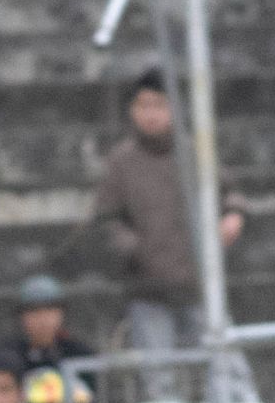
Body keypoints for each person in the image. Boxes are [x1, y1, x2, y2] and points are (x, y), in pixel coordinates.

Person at [91, 70, 245, 362]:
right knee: (159, 378)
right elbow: (106, 218)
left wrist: (233, 215)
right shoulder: (120, 162)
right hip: (148, 290)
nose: (151, 114)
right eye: (143, 106)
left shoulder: (193, 153)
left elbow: (229, 192)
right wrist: (137, 250)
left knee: (227, 367)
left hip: (197, 285)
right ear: (132, 111)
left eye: (159, 105)